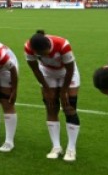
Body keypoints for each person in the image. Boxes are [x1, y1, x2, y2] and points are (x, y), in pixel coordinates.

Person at [24, 30, 81, 161]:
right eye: (41, 54)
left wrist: (63, 92)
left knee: (69, 107)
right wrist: (46, 87)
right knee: (51, 106)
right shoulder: (29, 48)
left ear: (49, 46)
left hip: (67, 72)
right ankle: (56, 147)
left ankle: (71, 149)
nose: (45, 55)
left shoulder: (63, 44)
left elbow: (70, 69)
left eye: (46, 52)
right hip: (47, 73)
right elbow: (35, 69)